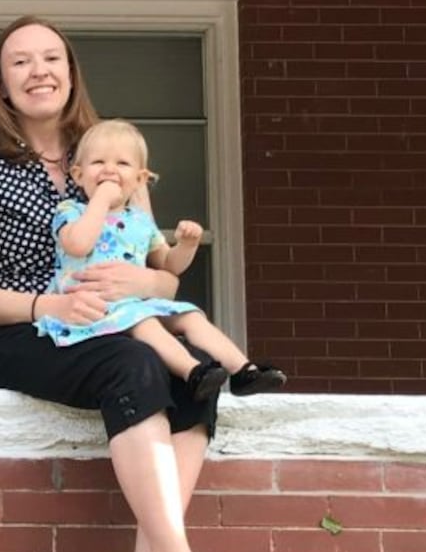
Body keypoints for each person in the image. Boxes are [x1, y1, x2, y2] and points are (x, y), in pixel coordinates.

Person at [0, 16, 270, 552]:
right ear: (0, 81)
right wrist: (51, 305)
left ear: (71, 73)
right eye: (20, 61)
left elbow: (159, 271)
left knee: (194, 378)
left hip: (110, 320)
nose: (38, 71)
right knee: (135, 362)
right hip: (12, 335)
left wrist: (147, 282)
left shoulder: (112, 154)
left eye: (52, 58)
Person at [35, 118, 286, 400]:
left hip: (133, 304)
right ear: (79, 175)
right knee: (146, 324)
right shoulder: (72, 211)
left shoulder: (140, 221)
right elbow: (78, 245)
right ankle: (192, 371)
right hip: (89, 309)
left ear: (140, 179)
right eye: (98, 163)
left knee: (189, 315)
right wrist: (101, 200)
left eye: (122, 164)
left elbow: (168, 264)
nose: (109, 170)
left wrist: (186, 245)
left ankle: (243, 371)